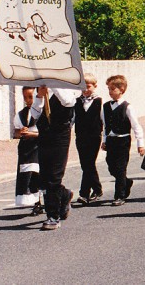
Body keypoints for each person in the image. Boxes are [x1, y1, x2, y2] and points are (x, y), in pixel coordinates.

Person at [33, 85, 76, 231]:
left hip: (60, 135)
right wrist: (39, 96)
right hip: (44, 135)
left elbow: (68, 102)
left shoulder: (65, 88)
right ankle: (64, 194)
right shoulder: (41, 90)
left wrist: (53, 85)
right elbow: (34, 114)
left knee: (54, 177)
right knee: (44, 177)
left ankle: (53, 216)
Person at [100, 75, 145, 206]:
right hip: (111, 140)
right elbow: (105, 125)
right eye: (108, 89)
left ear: (122, 89)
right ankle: (126, 182)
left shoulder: (127, 107)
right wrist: (104, 140)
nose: (110, 92)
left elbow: (136, 126)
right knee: (111, 166)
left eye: (112, 89)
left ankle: (120, 195)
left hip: (123, 140)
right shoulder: (106, 106)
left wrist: (140, 144)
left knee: (120, 168)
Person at [74, 73, 103, 205]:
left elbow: (103, 120)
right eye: (83, 86)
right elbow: (72, 119)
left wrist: (105, 138)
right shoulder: (77, 102)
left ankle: (84, 193)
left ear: (95, 86)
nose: (85, 89)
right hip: (80, 136)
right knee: (85, 164)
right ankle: (97, 189)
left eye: (88, 86)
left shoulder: (99, 101)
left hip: (94, 136)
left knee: (89, 163)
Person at [12, 86, 42, 214]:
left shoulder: (42, 112)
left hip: (39, 146)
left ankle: (42, 201)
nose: (28, 100)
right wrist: (21, 132)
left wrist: (32, 134)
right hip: (26, 148)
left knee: (37, 174)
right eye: (25, 97)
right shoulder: (21, 114)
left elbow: (47, 133)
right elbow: (16, 133)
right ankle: (36, 202)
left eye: (30, 97)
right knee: (28, 176)